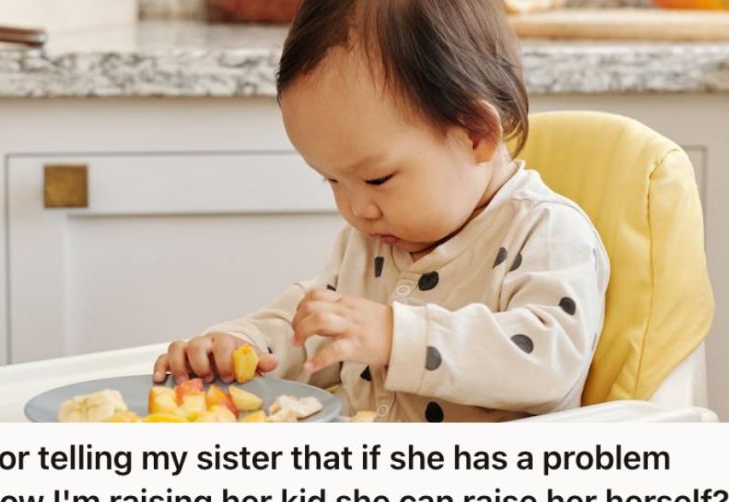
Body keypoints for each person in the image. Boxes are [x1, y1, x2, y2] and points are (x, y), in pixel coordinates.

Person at [153, 0, 610, 422]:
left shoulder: (545, 230)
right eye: (332, 180)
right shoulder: (373, 237)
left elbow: (549, 363)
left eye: (377, 179)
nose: (355, 209)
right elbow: (315, 327)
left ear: (475, 134)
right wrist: (242, 346)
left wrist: (397, 336)